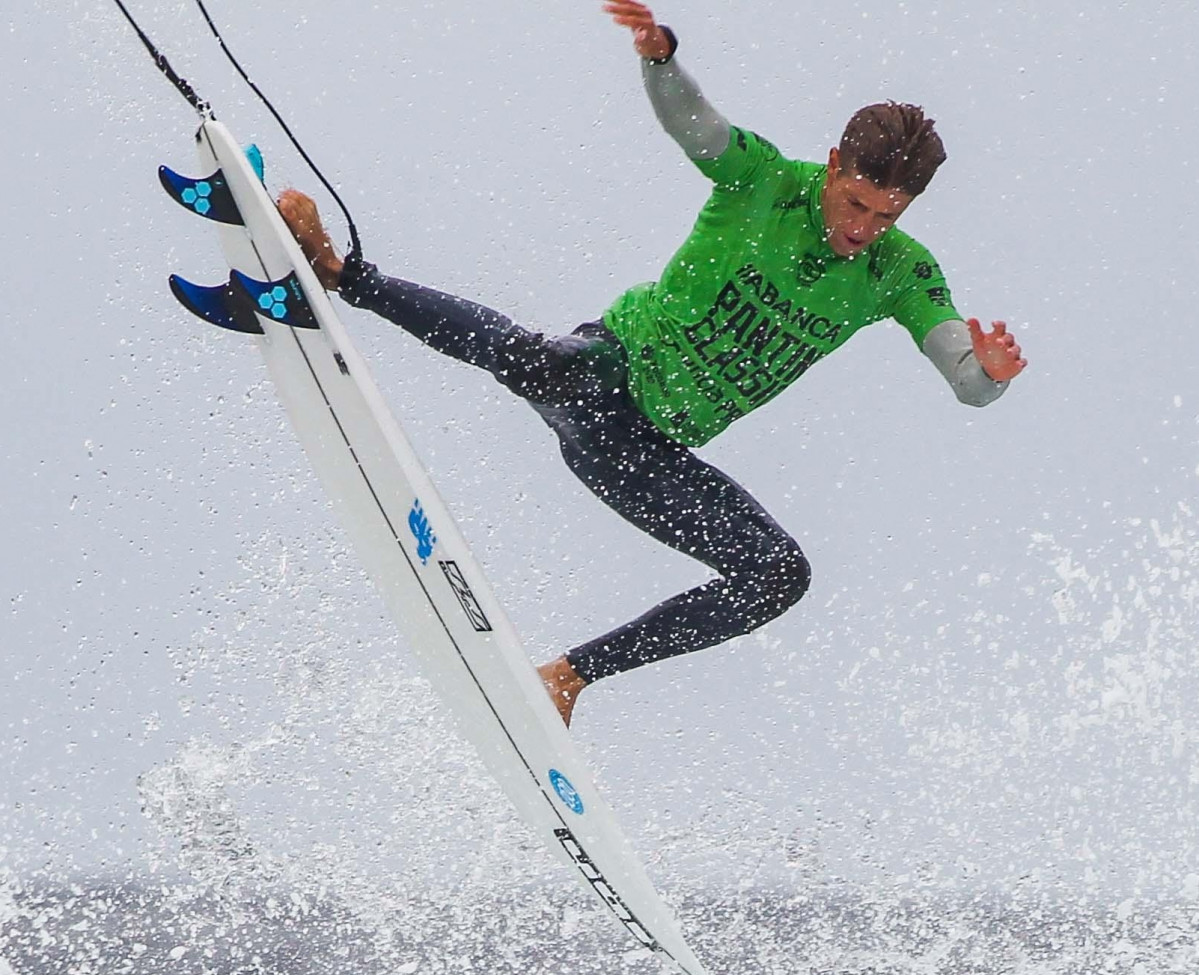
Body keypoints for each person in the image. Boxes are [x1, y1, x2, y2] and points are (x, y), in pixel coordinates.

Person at [278, 0, 1027, 728]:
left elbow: (962, 375)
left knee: (778, 576)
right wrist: (662, 60)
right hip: (607, 368)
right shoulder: (763, 180)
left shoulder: (899, 272)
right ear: (832, 167)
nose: (861, 229)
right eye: (855, 204)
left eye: (884, 217)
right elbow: (695, 127)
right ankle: (343, 275)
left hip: (641, 453)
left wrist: (986, 371)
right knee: (549, 364)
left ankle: (566, 678)